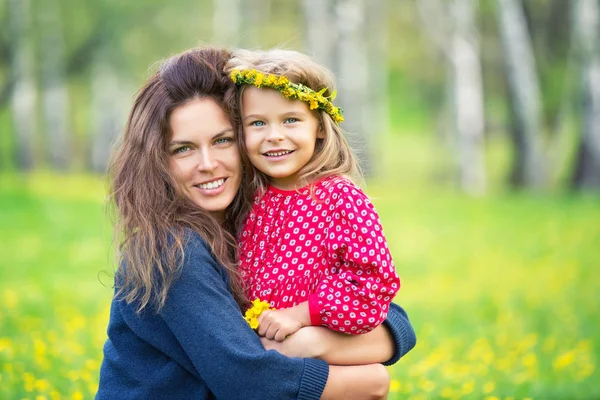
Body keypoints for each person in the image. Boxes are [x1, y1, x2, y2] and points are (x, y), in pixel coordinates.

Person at [96, 46, 415, 400]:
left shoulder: (256, 221)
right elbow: (249, 379)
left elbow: (390, 316)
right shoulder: (172, 250)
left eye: (222, 140)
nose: (208, 163)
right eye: (183, 148)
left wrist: (312, 339)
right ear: (157, 159)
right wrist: (371, 382)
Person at [225, 49, 401, 345]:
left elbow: (372, 284)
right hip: (253, 359)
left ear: (319, 126)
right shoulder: (246, 197)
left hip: (321, 360)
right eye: (257, 123)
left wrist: (300, 315)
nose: (274, 135)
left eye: (291, 120)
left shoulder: (340, 198)